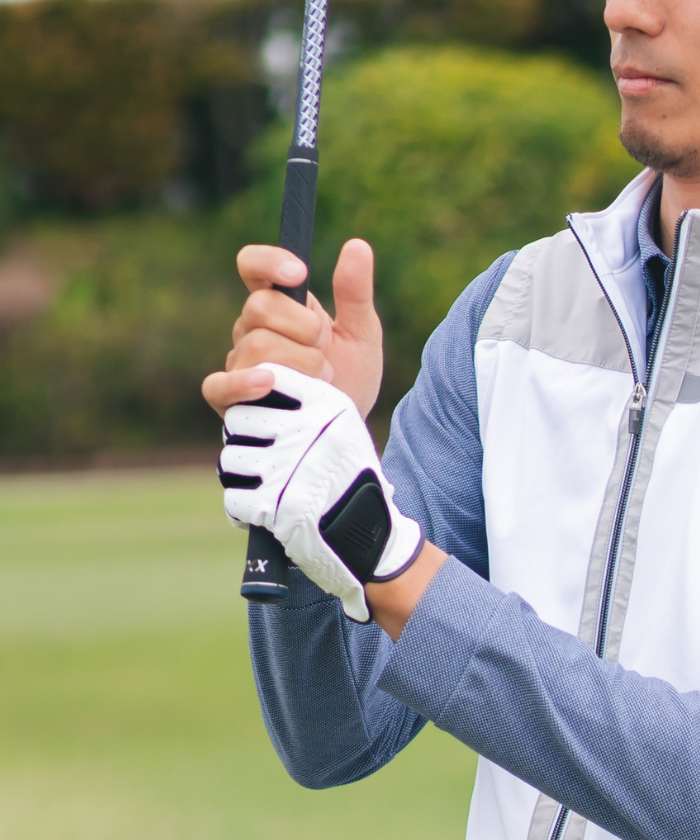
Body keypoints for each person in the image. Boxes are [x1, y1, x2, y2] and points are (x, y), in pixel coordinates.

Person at [202, 1, 700, 838]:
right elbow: (336, 731)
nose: (624, 11)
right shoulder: (508, 311)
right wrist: (310, 499)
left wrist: (386, 555)